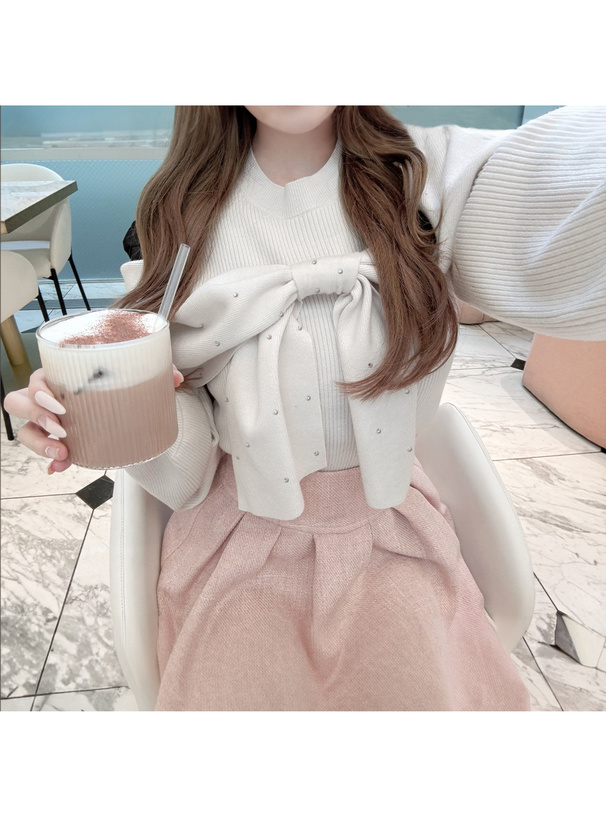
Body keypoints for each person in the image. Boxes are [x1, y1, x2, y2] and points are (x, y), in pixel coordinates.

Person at [5, 106, 605, 711]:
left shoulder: (428, 178)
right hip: (234, 541)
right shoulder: (179, 209)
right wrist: (107, 411)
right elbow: (186, 478)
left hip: (391, 529)